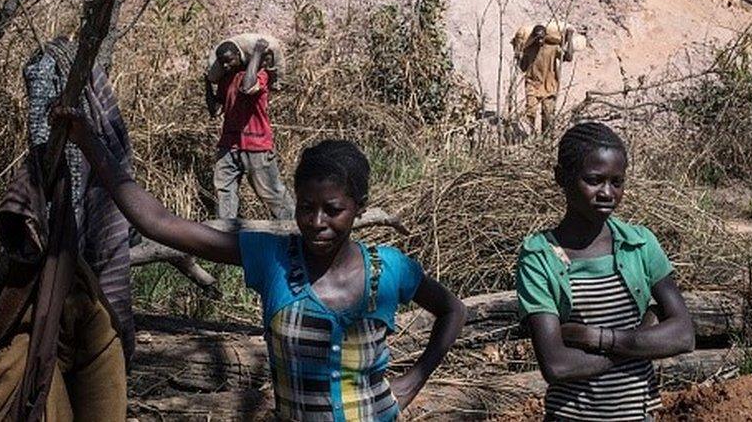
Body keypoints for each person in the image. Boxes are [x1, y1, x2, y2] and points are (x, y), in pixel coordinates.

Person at [52, 106, 468, 421]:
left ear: (359, 209)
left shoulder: (389, 269)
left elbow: (454, 309)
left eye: (333, 210)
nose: (317, 223)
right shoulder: (273, 259)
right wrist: (89, 143)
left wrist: (416, 378)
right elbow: (159, 223)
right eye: (306, 208)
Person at [515, 122, 694, 421]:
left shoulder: (639, 244)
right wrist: (641, 340)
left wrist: (599, 338)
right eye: (594, 180)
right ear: (561, 177)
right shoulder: (539, 257)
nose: (607, 193)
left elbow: (684, 336)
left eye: (617, 182)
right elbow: (557, 365)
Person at [205, 33, 294, 220]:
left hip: (256, 144)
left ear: (240, 57)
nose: (225, 66)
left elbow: (248, 86)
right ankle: (224, 237)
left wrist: (257, 53)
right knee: (224, 192)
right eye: (222, 63)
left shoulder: (260, 75)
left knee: (271, 193)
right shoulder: (226, 80)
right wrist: (207, 84)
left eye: (229, 61)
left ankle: (294, 230)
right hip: (229, 144)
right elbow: (215, 111)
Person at [512, 24, 570, 135]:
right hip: (532, 84)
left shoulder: (552, 48)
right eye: (537, 38)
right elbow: (523, 68)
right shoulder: (529, 50)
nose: (539, 40)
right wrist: (518, 58)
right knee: (531, 111)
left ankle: (545, 137)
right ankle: (531, 134)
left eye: (541, 37)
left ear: (545, 36)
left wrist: (570, 38)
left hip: (549, 85)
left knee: (548, 114)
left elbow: (568, 57)